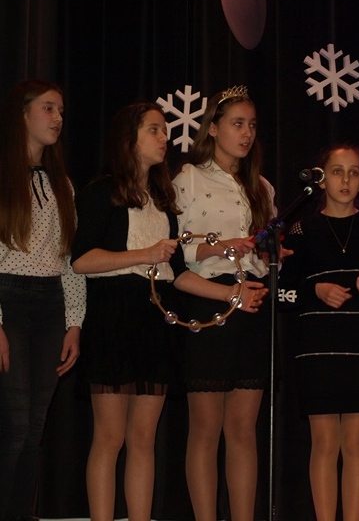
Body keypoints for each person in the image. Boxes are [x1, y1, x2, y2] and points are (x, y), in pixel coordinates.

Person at [71, 101, 268, 521]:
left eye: (164, 130)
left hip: (154, 316)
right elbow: (82, 260)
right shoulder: (101, 191)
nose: (165, 139)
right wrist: (144, 254)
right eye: (154, 130)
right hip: (113, 314)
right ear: (129, 138)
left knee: (144, 438)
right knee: (109, 437)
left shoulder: (163, 201)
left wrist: (229, 292)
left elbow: (177, 273)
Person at [172, 86, 278, 521]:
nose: (246, 133)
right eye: (237, 124)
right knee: (205, 428)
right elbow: (174, 252)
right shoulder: (189, 179)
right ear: (213, 129)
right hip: (207, 301)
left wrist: (271, 256)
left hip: (252, 302)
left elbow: (264, 256)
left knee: (243, 429)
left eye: (252, 125)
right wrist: (221, 247)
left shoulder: (262, 187)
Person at [278, 144, 359, 521]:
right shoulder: (299, 229)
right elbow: (281, 293)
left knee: (357, 442)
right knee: (324, 442)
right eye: (337, 171)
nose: (345, 180)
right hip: (317, 350)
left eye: (354, 172)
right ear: (321, 179)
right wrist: (316, 289)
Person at [0, 79, 86, 521]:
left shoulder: (60, 184)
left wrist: (74, 322)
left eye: (61, 111)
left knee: (35, 427)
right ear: (23, 114)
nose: (58, 119)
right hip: (9, 301)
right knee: (15, 424)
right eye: (49, 108)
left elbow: (69, 258)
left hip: (50, 304)